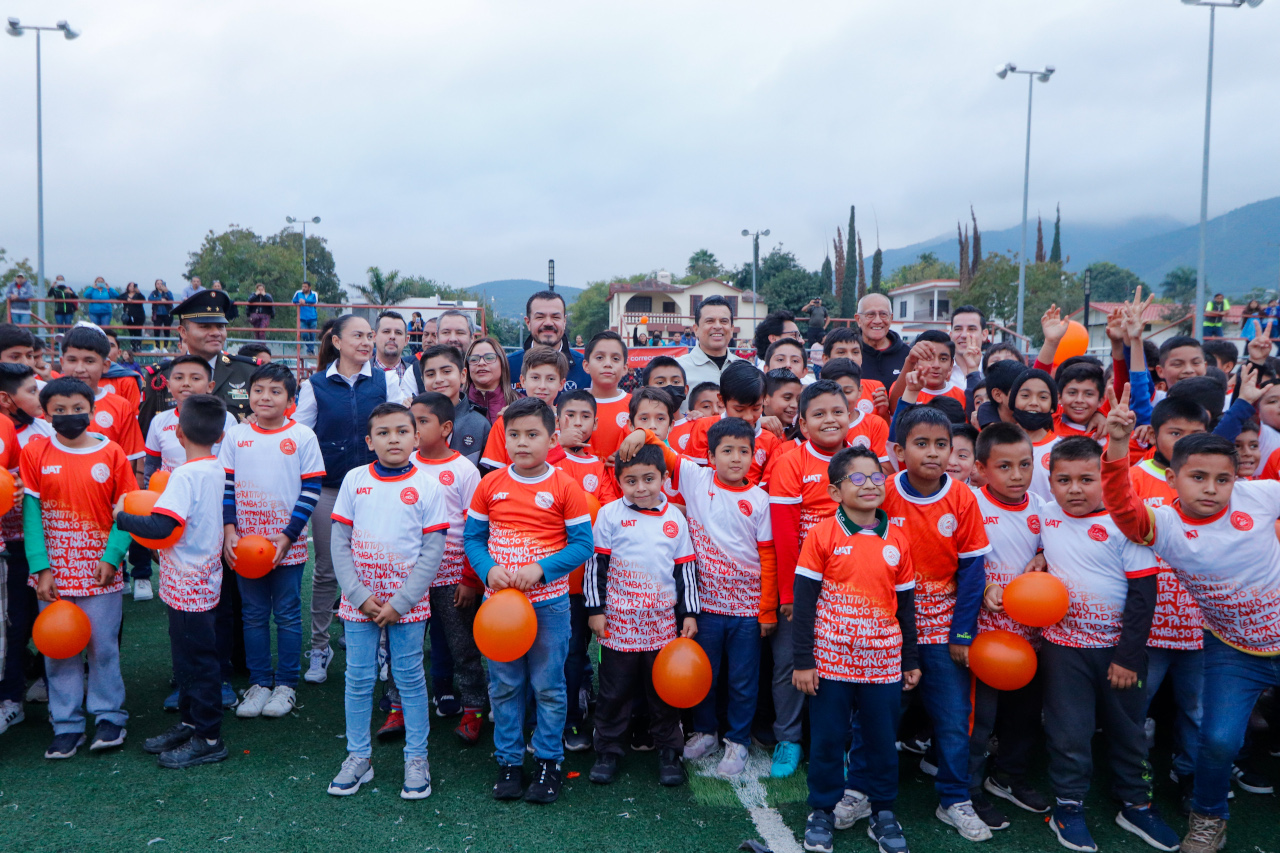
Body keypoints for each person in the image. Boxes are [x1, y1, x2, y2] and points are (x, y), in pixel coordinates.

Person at [1033, 435, 1177, 853]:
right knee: (1069, 732)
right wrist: (1039, 555)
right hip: (1063, 649)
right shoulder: (1045, 514)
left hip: (1119, 652)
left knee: (1128, 731)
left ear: (1105, 480)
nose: (1074, 489)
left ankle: (1136, 804)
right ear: (1050, 482)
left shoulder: (1125, 523)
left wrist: (1128, 657)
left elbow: (1143, 596)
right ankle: (1068, 806)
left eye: (1086, 479)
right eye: (1063, 480)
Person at [618, 416, 775, 779]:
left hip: (747, 612)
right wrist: (641, 432)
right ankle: (706, 731)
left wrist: (767, 609)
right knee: (706, 674)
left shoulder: (760, 500)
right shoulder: (696, 477)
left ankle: (737, 740)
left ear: (753, 456)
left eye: (744, 451)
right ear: (710, 456)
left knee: (742, 680)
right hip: (705, 609)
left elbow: (768, 556)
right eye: (727, 451)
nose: (735, 458)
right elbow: (663, 450)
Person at [462, 396, 593, 804]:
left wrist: (541, 569)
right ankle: (508, 761)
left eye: (532, 434)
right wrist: (487, 570)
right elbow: (473, 538)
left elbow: (583, 545)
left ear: (552, 439)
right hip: (499, 610)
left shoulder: (565, 486)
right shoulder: (490, 484)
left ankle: (549, 762)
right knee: (504, 686)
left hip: (549, 606)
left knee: (549, 686)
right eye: (514, 434)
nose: (522, 442)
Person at [793, 446, 919, 853]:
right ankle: (822, 810)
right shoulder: (822, 535)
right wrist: (803, 661)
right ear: (835, 491)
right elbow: (804, 602)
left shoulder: (897, 539)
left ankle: (882, 811)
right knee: (828, 739)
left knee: (882, 741)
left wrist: (910, 659)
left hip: (883, 662)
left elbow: (906, 607)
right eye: (858, 478)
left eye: (877, 476)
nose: (870, 485)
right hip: (831, 661)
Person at [876, 405, 993, 841]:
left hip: (944, 631)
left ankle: (955, 798)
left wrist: (962, 632)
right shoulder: (882, 492)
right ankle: (865, 790)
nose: (932, 453)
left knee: (954, 718)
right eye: (921, 444)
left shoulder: (962, 498)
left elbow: (973, 572)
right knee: (879, 716)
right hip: (890, 630)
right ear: (899, 451)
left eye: (941, 444)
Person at [326, 402, 448, 800]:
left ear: (417, 437)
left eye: (401, 431)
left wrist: (402, 601)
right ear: (369, 441)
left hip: (406, 604)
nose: (393, 439)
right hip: (359, 602)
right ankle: (358, 757)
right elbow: (340, 543)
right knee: (358, 679)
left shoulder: (429, 486)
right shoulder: (354, 479)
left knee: (410, 679)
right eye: (383, 433)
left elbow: (433, 551)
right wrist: (359, 596)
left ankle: (417, 758)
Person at [116, 394, 233, 769]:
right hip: (199, 578)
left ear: (179, 433)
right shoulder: (214, 468)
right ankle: (191, 723)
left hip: (189, 583)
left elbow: (162, 526)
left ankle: (208, 738)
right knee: (188, 659)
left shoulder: (185, 475)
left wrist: (122, 516)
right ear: (220, 435)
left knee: (197, 662)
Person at [22, 378, 131, 759]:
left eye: (78, 408)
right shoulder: (35, 452)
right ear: (46, 413)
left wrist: (112, 557)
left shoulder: (112, 452)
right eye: (60, 410)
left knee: (103, 649)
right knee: (58, 651)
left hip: (101, 573)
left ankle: (109, 717)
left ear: (92, 409)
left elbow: (125, 512)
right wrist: (41, 567)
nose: (69, 416)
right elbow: (31, 514)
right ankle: (66, 724)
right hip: (54, 575)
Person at [585, 443, 697, 788]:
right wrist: (596, 609)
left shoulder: (674, 518)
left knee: (663, 692)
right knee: (614, 691)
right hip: (618, 625)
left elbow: (685, 570)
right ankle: (608, 750)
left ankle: (669, 751)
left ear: (664, 477)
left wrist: (689, 613)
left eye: (649, 479)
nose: (641, 488)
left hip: (662, 627)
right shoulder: (609, 515)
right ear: (619, 481)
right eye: (630, 481)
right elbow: (595, 565)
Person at [294, 314, 398, 684]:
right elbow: (300, 435)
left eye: (370, 335)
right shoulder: (315, 385)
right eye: (358, 335)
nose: (367, 341)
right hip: (329, 489)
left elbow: (401, 426)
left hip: (379, 489)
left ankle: (382, 646)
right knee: (326, 570)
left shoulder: (386, 380)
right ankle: (320, 647)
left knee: (377, 568)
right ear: (336, 342)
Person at [220, 363, 323, 720]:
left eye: (275, 391)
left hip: (285, 545)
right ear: (248, 395)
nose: (265, 397)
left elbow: (311, 488)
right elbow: (226, 486)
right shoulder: (236, 436)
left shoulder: (303, 436)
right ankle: (260, 682)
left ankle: (286, 685)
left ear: (290, 400)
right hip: (244, 546)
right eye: (259, 390)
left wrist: (289, 534)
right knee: (252, 615)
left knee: (288, 614)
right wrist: (229, 530)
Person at [766, 381, 854, 780]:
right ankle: (788, 738)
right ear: (802, 424)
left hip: (849, 587)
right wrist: (788, 593)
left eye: (837, 411)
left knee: (843, 666)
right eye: (818, 414)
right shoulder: (791, 463)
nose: (829, 420)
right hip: (802, 587)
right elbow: (784, 536)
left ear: (849, 416)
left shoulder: (861, 462)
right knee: (789, 662)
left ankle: (838, 743)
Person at [967, 424, 1051, 829]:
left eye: (1025, 464)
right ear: (981, 468)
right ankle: (968, 789)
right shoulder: (970, 504)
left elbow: (1056, 549)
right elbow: (956, 559)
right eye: (1004, 466)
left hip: (1031, 640)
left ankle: (1008, 777)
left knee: (1024, 716)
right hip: (985, 638)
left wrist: (1044, 556)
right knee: (979, 720)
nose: (1017, 475)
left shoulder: (1043, 509)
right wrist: (986, 586)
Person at [406, 392, 486, 745]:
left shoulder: (463, 470)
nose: (413, 428)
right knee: (405, 643)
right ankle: (398, 706)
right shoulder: (405, 463)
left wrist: (469, 578)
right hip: (410, 576)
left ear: (446, 428)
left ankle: (474, 709)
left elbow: (476, 529)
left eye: (422, 421)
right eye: (411, 421)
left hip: (452, 576)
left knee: (463, 646)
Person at [138, 289, 260, 432]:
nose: (216, 333)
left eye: (220, 326)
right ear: (183, 332)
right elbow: (146, 433)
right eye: (205, 327)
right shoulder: (160, 376)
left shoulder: (248, 371)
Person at [682, 362, 782, 487]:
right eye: (739, 410)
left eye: (756, 408)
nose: (748, 417)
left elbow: (768, 485)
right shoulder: (703, 427)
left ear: (764, 400)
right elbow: (691, 473)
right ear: (721, 400)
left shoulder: (770, 440)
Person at [143, 355, 237, 476]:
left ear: (210, 386)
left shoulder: (226, 419)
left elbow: (232, 465)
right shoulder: (159, 421)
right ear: (168, 386)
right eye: (179, 378)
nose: (186, 383)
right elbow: (151, 467)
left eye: (195, 378)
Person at [479, 348, 569, 472]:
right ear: (523, 381)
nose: (542, 386)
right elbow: (495, 474)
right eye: (535, 377)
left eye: (550, 379)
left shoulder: (571, 422)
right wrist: (561, 444)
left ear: (561, 384)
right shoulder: (505, 422)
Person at [418, 345, 491, 466]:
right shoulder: (412, 422)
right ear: (423, 380)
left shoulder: (480, 425)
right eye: (430, 374)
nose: (438, 379)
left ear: (463, 375)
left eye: (446, 372)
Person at [505, 291, 590, 396]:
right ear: (528, 322)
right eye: (540, 317)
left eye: (555, 317)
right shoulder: (507, 367)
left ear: (564, 322)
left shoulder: (586, 369)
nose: (548, 323)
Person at [675, 296, 743, 400]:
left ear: (731, 329)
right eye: (710, 321)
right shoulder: (677, 369)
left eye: (724, 321)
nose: (717, 326)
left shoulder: (745, 368)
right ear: (696, 329)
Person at [582, 331, 632, 459]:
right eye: (600, 358)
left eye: (615, 359)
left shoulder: (636, 405)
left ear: (625, 368)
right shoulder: (571, 404)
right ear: (586, 366)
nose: (608, 364)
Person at [855, 293, 910, 388]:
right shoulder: (848, 354)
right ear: (859, 319)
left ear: (891, 318)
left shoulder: (907, 356)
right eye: (870, 315)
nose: (877, 321)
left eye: (883, 314)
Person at [373, 311, 423, 403]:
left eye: (398, 333)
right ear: (374, 336)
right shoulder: (360, 372)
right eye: (386, 331)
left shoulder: (417, 375)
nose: (392, 336)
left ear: (406, 340)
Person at [464, 336, 517, 423]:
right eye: (474, 359)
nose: (481, 363)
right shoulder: (456, 402)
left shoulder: (520, 403)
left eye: (489, 358)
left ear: (502, 363)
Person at [292, 281, 319, 354]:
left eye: (305, 287)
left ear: (309, 287)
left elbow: (314, 301)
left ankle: (310, 350)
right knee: (304, 335)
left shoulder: (314, 294)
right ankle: (311, 349)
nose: (303, 288)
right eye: (303, 286)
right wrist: (299, 301)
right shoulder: (298, 293)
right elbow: (293, 300)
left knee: (312, 335)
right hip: (302, 318)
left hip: (312, 317)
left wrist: (305, 301)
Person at [120, 282, 147, 349]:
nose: (132, 287)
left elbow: (143, 299)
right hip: (129, 316)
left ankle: (138, 345)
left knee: (138, 330)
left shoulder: (138, 295)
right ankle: (133, 344)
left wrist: (139, 292)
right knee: (131, 330)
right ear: (128, 287)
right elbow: (119, 297)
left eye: (133, 286)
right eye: (130, 286)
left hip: (139, 315)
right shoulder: (125, 295)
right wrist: (126, 299)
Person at [148, 279, 173, 345]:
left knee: (167, 330)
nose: (159, 285)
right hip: (157, 314)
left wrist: (166, 292)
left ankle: (165, 346)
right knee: (156, 330)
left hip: (167, 313)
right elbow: (150, 299)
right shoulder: (154, 293)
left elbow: (172, 299)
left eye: (161, 283)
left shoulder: (168, 292)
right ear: (156, 285)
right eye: (158, 284)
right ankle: (157, 346)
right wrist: (159, 300)